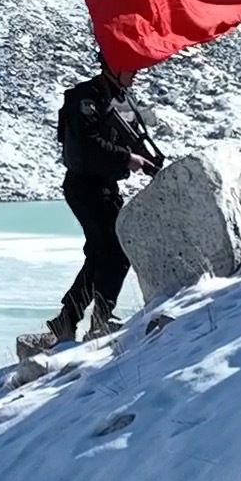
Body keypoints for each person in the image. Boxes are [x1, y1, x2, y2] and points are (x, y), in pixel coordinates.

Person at [45, 71, 163, 344]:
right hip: (86, 187)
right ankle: (98, 319)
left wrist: (144, 161)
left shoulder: (117, 100)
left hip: (105, 186)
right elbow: (88, 146)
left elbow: (127, 139)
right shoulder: (87, 98)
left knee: (102, 253)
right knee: (115, 251)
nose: (135, 74)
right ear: (114, 67)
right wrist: (126, 158)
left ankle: (69, 319)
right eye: (130, 69)